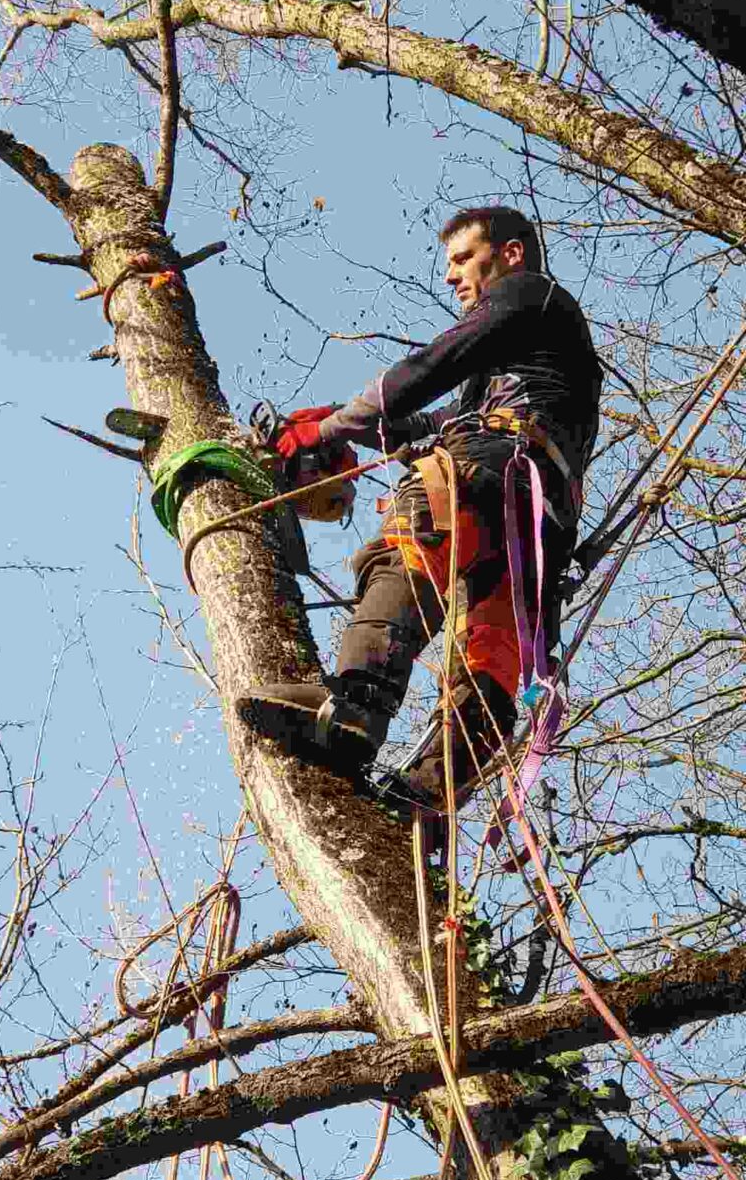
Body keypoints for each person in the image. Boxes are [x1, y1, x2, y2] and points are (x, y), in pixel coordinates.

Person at [238, 206, 602, 809]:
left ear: (510, 254)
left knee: (406, 554)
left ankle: (353, 706)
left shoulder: (529, 295)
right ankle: (430, 797)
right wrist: (342, 426)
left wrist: (328, 429)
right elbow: (434, 421)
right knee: (491, 645)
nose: (452, 276)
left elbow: (430, 367)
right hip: (538, 521)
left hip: (487, 475)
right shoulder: (539, 353)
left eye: (463, 258)